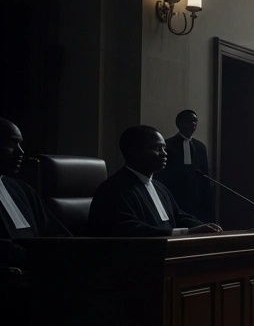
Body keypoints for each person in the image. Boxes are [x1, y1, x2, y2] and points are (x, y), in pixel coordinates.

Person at [87, 126, 223, 237]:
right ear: (134, 152)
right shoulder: (114, 189)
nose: (164, 153)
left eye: (164, 148)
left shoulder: (159, 187)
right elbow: (131, 230)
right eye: (157, 148)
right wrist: (187, 232)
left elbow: (179, 217)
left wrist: (207, 229)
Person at [1, 118, 70, 272]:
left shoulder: (22, 189)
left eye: (20, 144)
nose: (21, 152)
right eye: (11, 144)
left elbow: (58, 234)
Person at [156, 109, 214, 221]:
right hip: (174, 192)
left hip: (196, 195)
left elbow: (205, 173)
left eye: (195, 121)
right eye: (189, 120)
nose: (193, 124)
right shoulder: (168, 145)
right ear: (179, 123)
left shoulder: (200, 146)